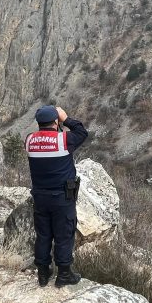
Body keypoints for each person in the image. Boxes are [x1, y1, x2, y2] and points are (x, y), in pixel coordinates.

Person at [25, 105, 88, 287]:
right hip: (62, 197)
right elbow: (82, 132)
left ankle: (43, 273)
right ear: (55, 122)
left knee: (43, 235)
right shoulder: (64, 139)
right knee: (64, 235)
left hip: (40, 197)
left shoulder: (29, 140)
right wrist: (66, 119)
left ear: (38, 123)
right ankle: (64, 275)